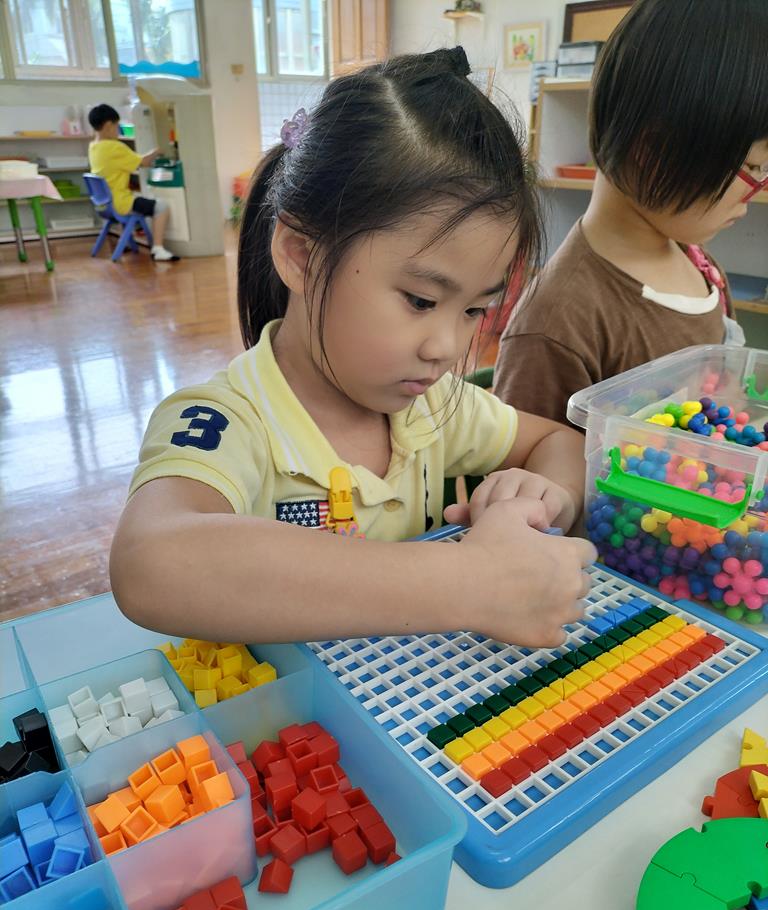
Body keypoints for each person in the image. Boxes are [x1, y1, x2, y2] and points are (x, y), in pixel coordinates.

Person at [110, 47, 595, 650]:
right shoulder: (227, 421)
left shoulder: (434, 409)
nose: (446, 347)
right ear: (301, 256)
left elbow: (559, 443)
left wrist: (546, 496)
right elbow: (150, 562)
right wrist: (470, 581)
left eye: (475, 310)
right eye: (420, 300)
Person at [494, 0, 768, 426]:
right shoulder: (557, 324)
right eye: (753, 167)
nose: (759, 188)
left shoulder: (701, 266)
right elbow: (524, 460)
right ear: (655, 152)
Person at [87, 104, 179, 263]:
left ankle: (129, 243)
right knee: (161, 206)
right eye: (117, 126)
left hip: (104, 204)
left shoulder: (93, 147)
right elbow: (144, 162)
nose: (118, 130)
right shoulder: (115, 147)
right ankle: (158, 249)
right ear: (108, 126)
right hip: (121, 202)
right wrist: (157, 151)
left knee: (137, 197)